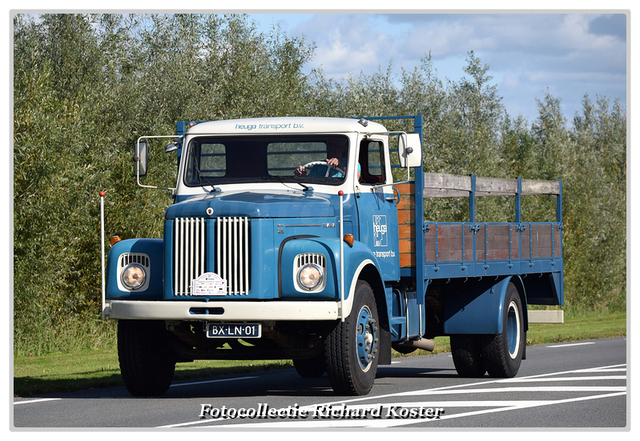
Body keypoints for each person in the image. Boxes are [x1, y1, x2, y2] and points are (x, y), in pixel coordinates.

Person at [294, 139, 360, 180]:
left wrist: (340, 167)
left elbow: (356, 179)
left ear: (343, 148)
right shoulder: (318, 166)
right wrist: (302, 176)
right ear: (326, 147)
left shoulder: (352, 163)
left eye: (336, 146)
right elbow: (310, 184)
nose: (332, 149)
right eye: (330, 145)